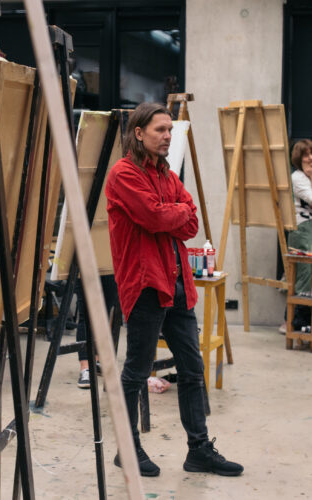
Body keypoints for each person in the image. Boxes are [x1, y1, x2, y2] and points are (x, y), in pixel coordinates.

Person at [105, 102, 243, 477]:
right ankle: (127, 449)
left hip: (178, 281)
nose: (168, 136)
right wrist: (171, 212)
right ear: (138, 133)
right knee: (137, 371)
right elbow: (153, 216)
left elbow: (190, 222)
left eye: (169, 129)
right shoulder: (123, 174)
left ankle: (199, 449)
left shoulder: (167, 174)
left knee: (192, 369)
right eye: (160, 130)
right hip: (146, 283)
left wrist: (171, 212)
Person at [286, 139, 312, 330]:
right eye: (305, 155)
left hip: (308, 229)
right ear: (298, 158)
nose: (310, 158)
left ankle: (296, 320)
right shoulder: (298, 177)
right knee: (305, 272)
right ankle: (295, 321)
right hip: (302, 228)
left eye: (311, 153)